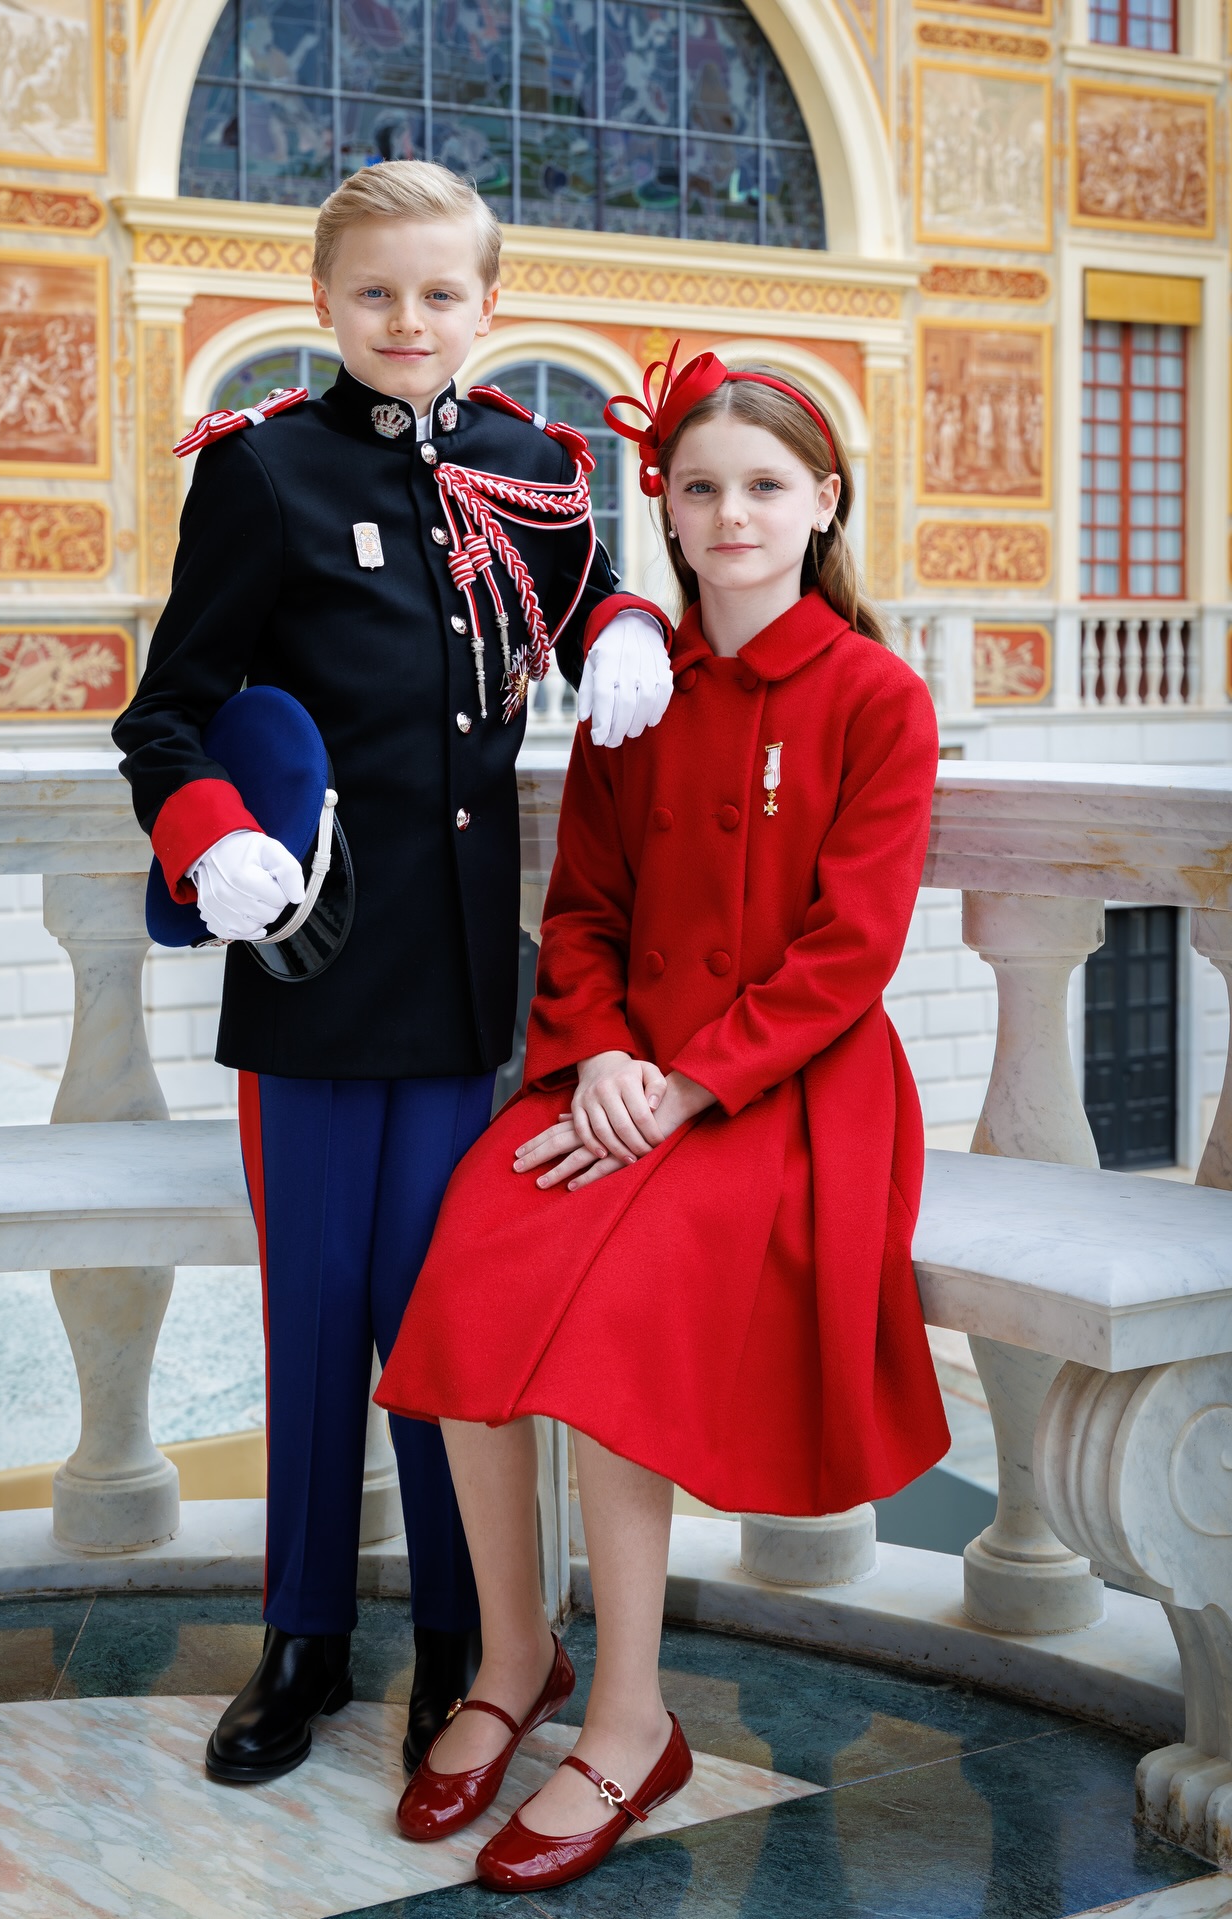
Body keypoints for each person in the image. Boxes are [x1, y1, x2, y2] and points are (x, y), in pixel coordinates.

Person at [113, 160, 675, 1786]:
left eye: (439, 293)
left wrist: (625, 623)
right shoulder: (264, 470)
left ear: (489, 304)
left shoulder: (534, 463)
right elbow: (166, 712)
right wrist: (207, 833)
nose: (408, 320)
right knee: (313, 1320)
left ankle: (464, 1643)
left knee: (446, 1326)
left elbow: (577, 605)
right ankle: (301, 1639)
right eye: (375, 292)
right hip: (308, 970)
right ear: (324, 301)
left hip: (458, 992)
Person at [376, 347, 952, 1892]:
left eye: (764, 485)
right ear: (669, 514)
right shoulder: (638, 695)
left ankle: (632, 1724)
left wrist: (691, 1082)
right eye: (701, 489)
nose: (732, 513)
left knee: (616, 1319)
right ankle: (516, 1657)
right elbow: (583, 910)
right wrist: (603, 1055)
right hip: (620, 1071)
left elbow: (850, 952)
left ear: (822, 502)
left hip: (788, 1094)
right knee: (470, 1261)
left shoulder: (878, 700)